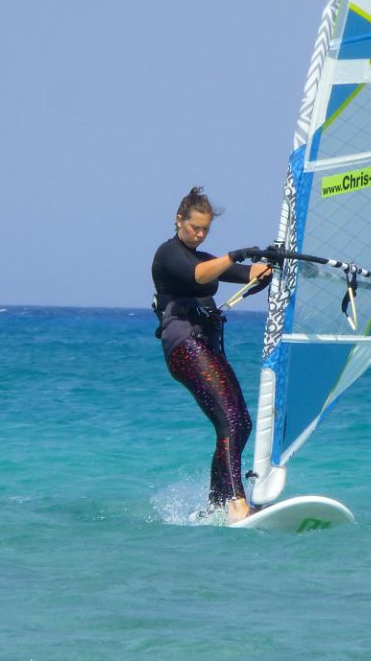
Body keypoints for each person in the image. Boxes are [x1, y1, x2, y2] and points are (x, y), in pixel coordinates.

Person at [151, 186, 271, 523]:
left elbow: (247, 274)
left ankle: (216, 505)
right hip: (184, 346)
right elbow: (198, 275)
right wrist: (234, 255)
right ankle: (236, 504)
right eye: (195, 227)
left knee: (240, 423)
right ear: (179, 220)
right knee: (229, 420)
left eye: (205, 229)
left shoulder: (205, 258)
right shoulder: (168, 254)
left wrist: (268, 266)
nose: (200, 234)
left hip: (206, 346)